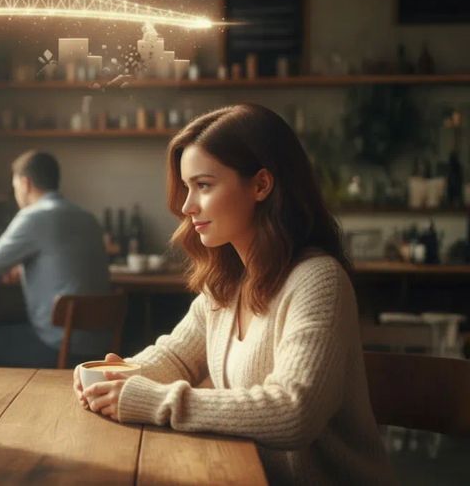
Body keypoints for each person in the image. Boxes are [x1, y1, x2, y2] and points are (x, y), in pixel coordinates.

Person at [77, 104, 393, 484]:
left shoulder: (318, 280)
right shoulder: (226, 283)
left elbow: (294, 411)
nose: (185, 205)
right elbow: (176, 357)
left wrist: (152, 400)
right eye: (187, 187)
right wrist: (115, 377)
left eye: (203, 185)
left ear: (261, 185)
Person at [0, 150, 112, 368]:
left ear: (25, 183)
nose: (16, 194)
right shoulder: (87, 217)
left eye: (14, 188)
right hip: (100, 346)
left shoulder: (33, 216)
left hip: (58, 347)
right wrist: (24, 269)